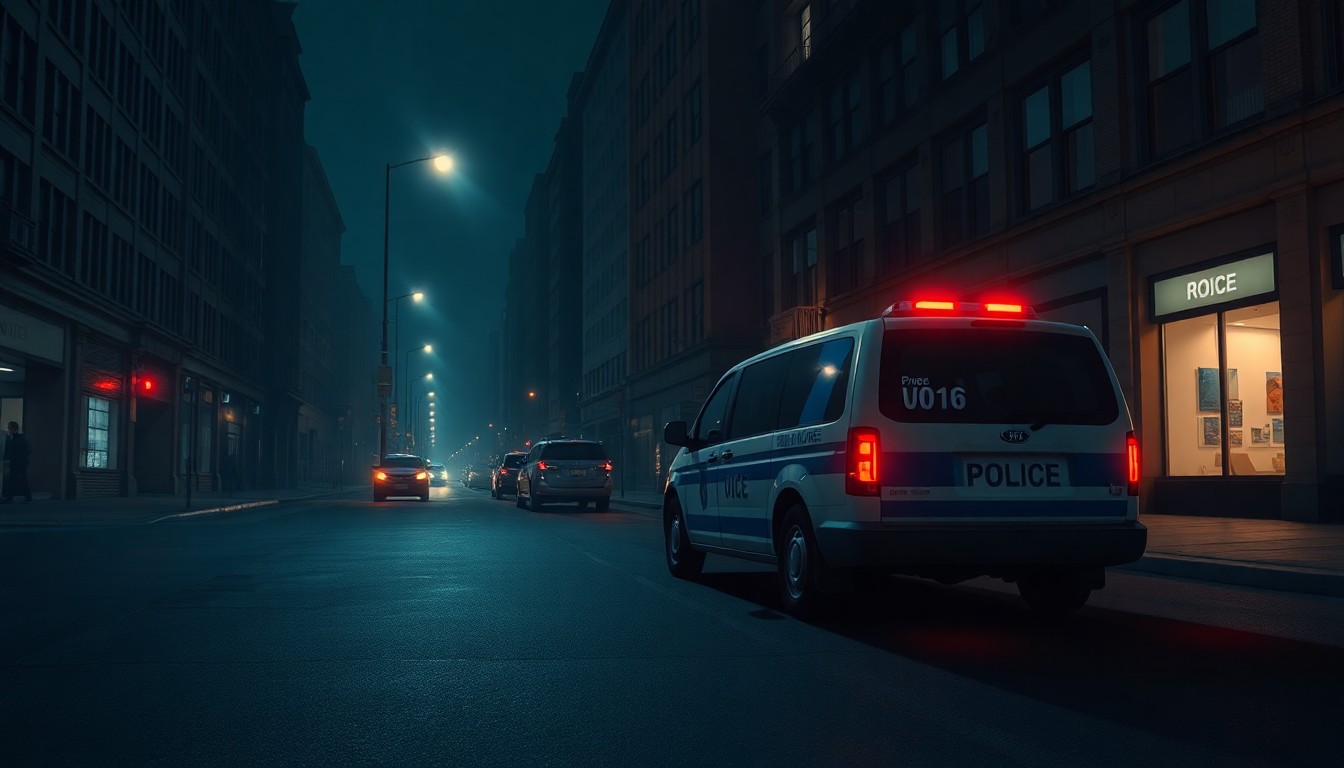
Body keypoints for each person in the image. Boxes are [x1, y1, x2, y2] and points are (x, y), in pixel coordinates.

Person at [2, 420, 32, 503]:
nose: (8, 430)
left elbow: (14, 451)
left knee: (15, 479)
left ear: (12, 429)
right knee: (20, 478)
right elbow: (29, 450)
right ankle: (24, 496)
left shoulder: (16, 439)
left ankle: (11, 496)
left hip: (17, 462)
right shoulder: (20, 438)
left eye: (9, 428)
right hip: (20, 462)